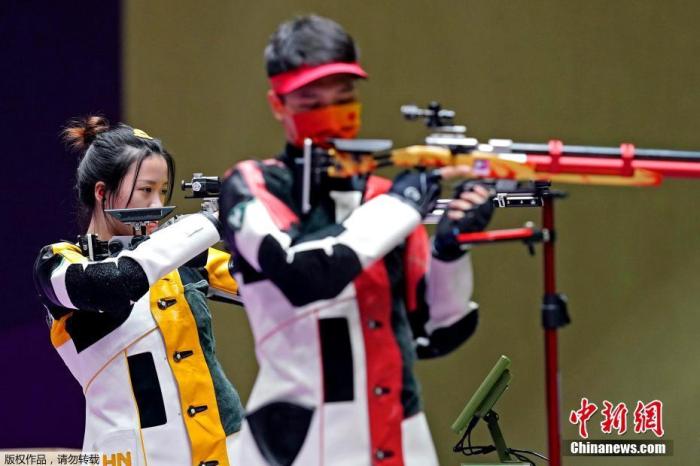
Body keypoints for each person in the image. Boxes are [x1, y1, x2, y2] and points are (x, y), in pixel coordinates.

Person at [219, 15, 494, 466]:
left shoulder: (383, 202)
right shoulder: (252, 185)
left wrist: (450, 251)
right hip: (300, 443)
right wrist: (404, 205)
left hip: (400, 435)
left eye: (343, 98)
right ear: (277, 104)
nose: (330, 114)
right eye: (311, 100)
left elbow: (435, 332)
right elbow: (303, 275)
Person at [33, 116, 244, 466]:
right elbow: (116, 283)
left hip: (225, 452)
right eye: (146, 190)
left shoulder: (183, 253)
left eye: (163, 190)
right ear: (102, 192)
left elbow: (280, 287)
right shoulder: (58, 262)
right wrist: (211, 221)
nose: (157, 202)